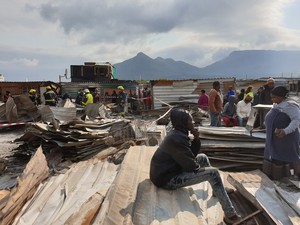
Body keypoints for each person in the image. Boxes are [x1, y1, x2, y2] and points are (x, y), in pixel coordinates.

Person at [149, 108, 241, 224]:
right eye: (190, 120)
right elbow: (191, 166)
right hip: (167, 179)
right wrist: (200, 169)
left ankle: (217, 191)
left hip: (171, 169)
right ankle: (230, 215)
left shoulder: (179, 133)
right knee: (213, 173)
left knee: (203, 157)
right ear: (183, 123)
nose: (193, 122)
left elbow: (191, 156)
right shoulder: (176, 139)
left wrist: (196, 139)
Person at [263, 86, 300, 179]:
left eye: (274, 97)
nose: (272, 99)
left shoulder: (290, 105)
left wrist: (285, 131)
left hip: (286, 139)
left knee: (287, 159)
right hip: (275, 139)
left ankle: (290, 178)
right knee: (275, 158)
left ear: (282, 97)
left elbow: (296, 120)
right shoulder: (277, 104)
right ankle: (276, 178)